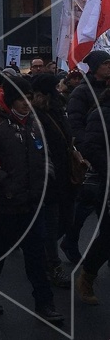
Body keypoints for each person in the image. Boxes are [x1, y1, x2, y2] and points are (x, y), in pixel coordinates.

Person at [0, 76, 64, 323]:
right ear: (9, 99)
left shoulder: (34, 123)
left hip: (33, 201)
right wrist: (3, 181)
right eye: (20, 99)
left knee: (36, 254)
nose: (26, 103)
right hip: (5, 203)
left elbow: (45, 153)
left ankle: (44, 303)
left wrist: (47, 174)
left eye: (29, 98)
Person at [62, 50, 110, 263]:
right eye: (106, 63)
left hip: (104, 154)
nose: (109, 66)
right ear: (96, 67)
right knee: (87, 203)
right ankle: (70, 241)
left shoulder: (105, 89)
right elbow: (76, 124)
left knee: (100, 205)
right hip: (90, 156)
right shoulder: (82, 92)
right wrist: (86, 152)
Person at [31, 74, 77, 288]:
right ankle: (52, 264)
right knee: (51, 223)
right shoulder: (37, 115)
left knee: (66, 220)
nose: (60, 88)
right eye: (56, 86)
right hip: (49, 176)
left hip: (65, 175)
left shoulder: (59, 110)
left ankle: (38, 251)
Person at [75, 87, 110, 304]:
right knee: (108, 236)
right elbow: (91, 146)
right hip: (107, 182)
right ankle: (87, 276)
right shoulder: (103, 112)